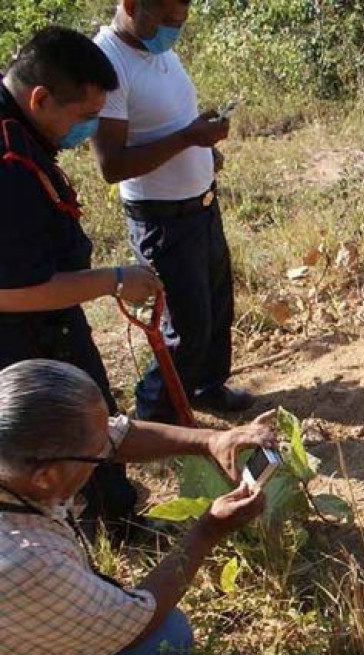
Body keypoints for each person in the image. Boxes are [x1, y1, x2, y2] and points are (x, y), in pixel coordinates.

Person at [0, 359, 272, 655]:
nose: (105, 452)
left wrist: (210, 440)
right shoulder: (28, 562)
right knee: (168, 637)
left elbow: (115, 436)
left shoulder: (18, 456)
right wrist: (208, 531)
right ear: (46, 477)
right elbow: (135, 623)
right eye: (97, 456)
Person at [0, 26, 164, 535]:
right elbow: (13, 292)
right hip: (25, 339)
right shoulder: (7, 166)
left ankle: (113, 517)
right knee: (68, 432)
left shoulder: (21, 131)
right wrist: (113, 280)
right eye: (83, 117)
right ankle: (95, 533)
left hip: (48, 324)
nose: (89, 130)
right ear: (40, 98)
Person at [92, 0, 254, 423]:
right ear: (131, 5)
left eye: (180, 23)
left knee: (216, 308)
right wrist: (188, 139)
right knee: (187, 326)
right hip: (162, 220)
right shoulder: (108, 63)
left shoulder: (157, 49)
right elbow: (112, 165)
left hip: (201, 206)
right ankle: (155, 418)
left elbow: (170, 122)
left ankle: (205, 389)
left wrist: (204, 148)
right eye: (166, 21)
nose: (173, 31)